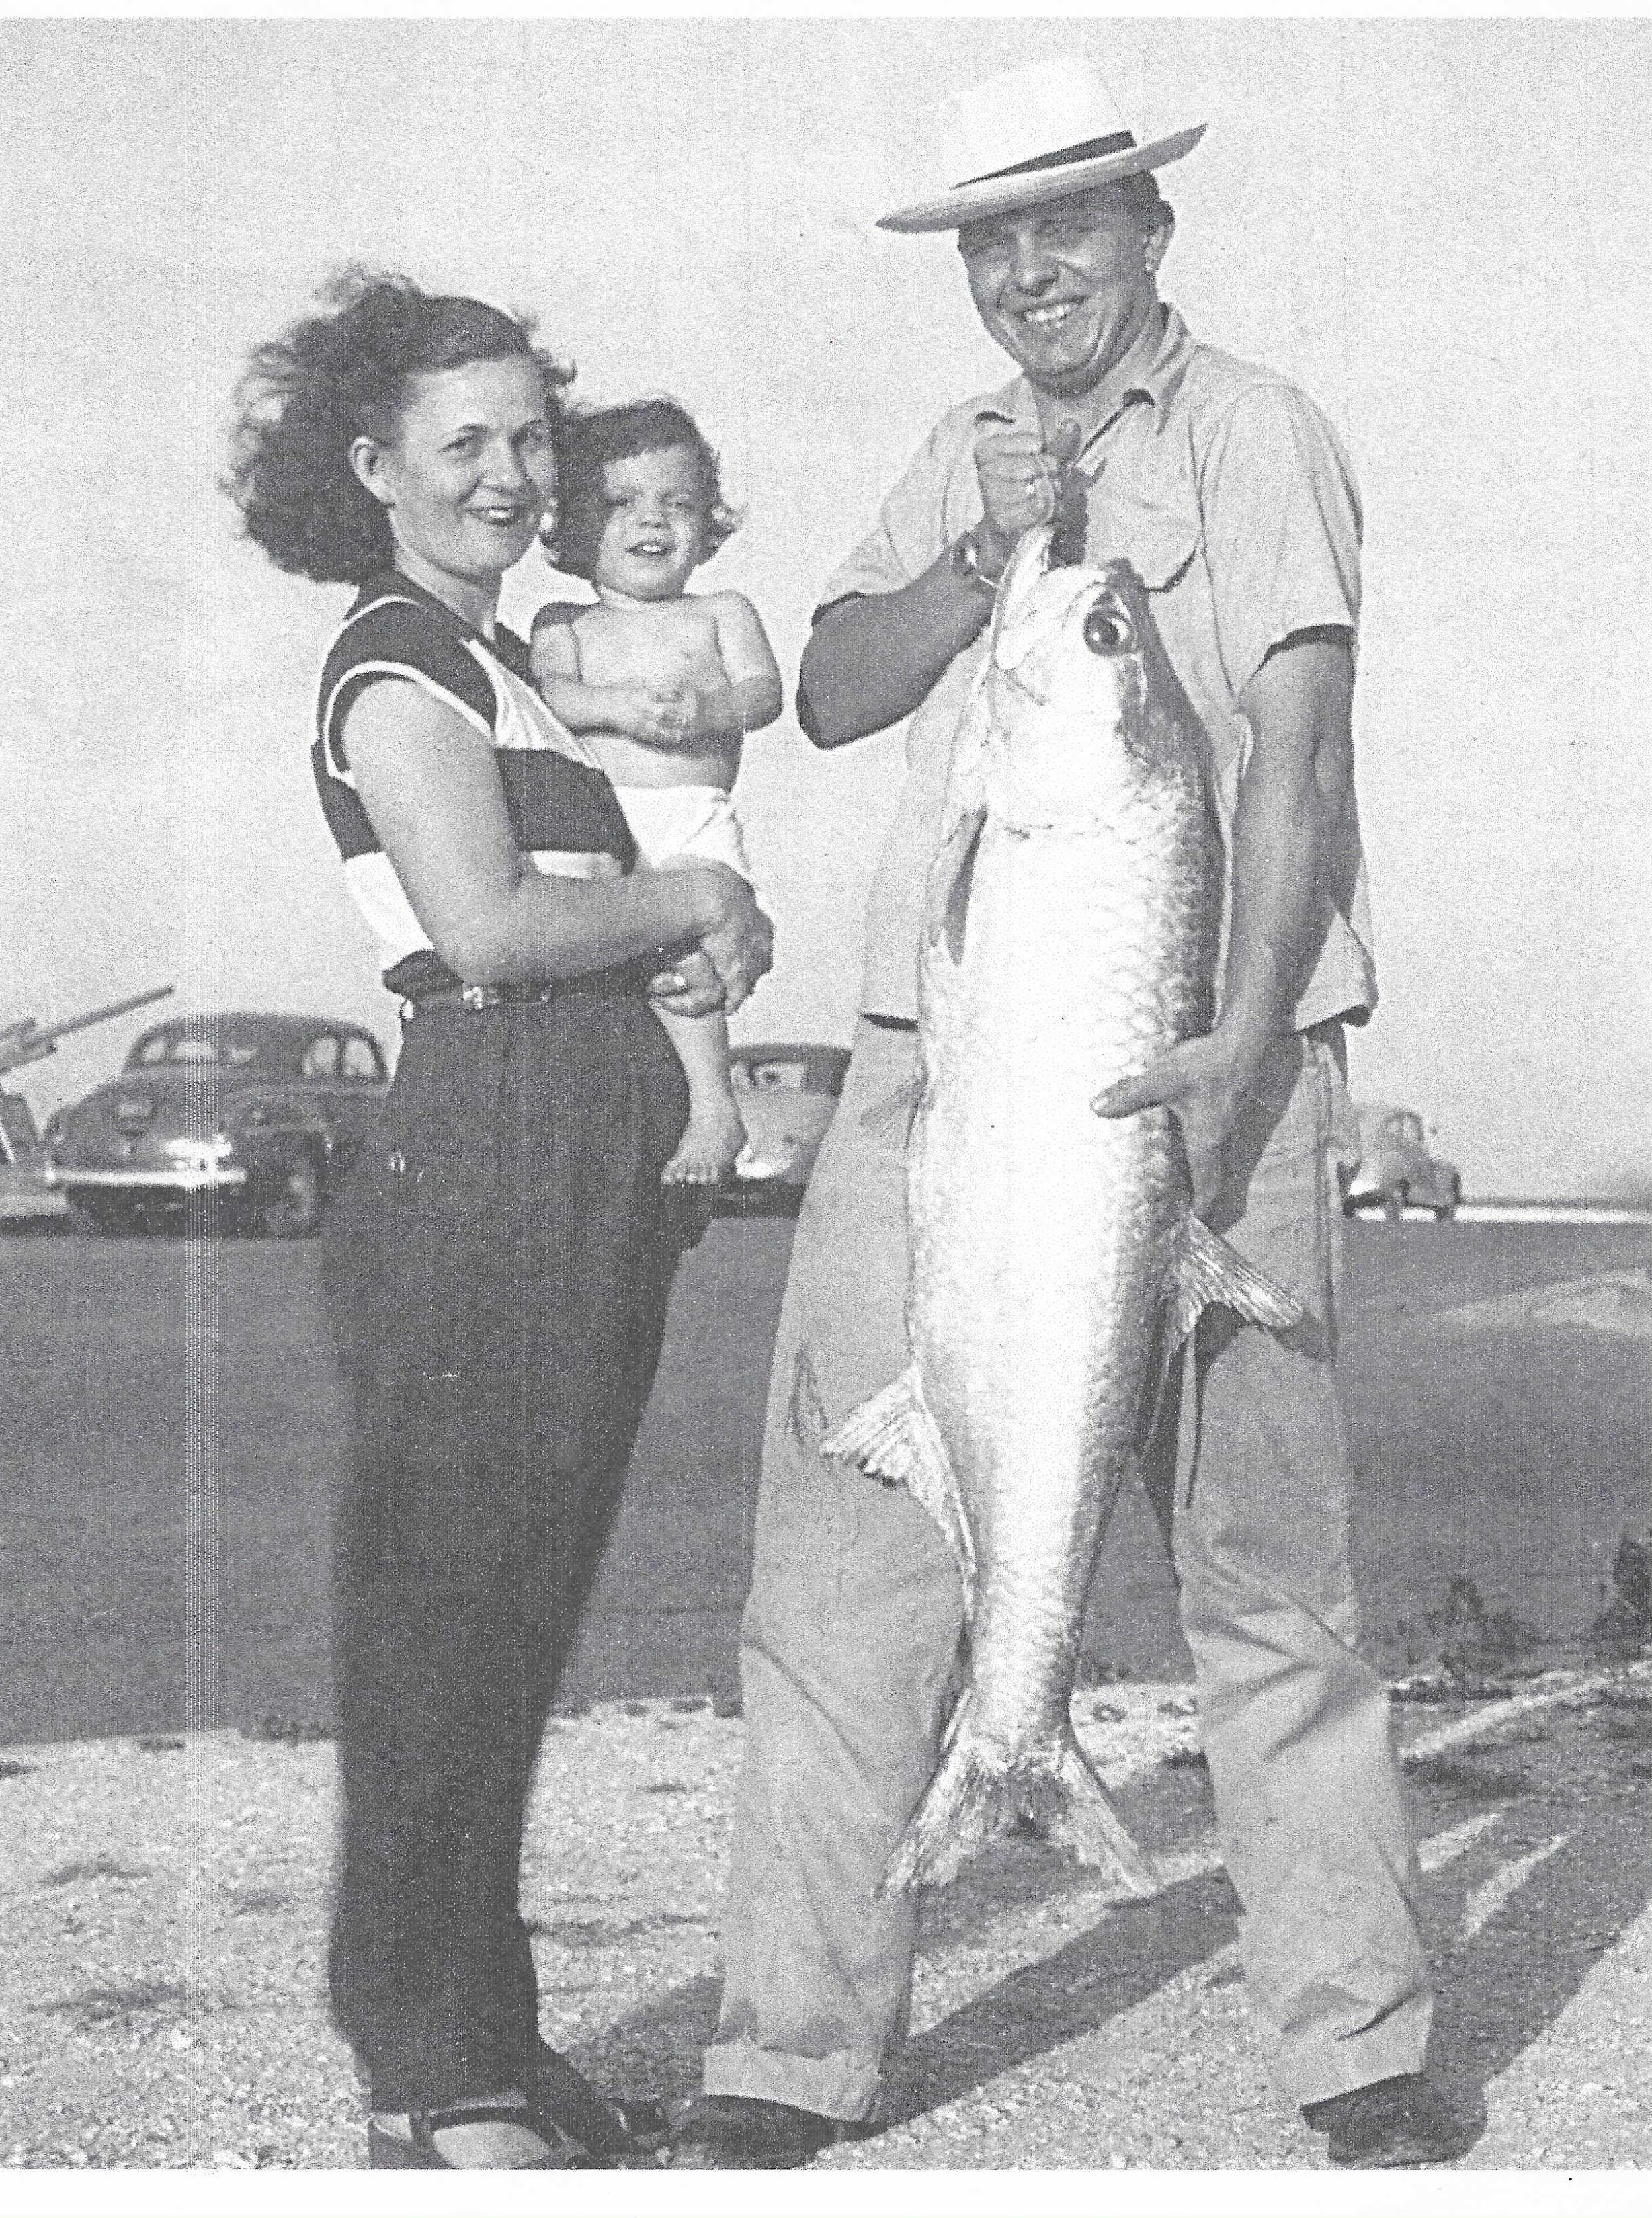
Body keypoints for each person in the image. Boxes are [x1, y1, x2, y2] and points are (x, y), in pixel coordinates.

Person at [670, 56, 1467, 2172]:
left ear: (1149, 232)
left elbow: (1297, 759)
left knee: (1263, 1580)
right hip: (937, 1079)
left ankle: (1357, 2044)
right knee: (848, 1571)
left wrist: (1241, 1032)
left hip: (1217, 1056)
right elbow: (837, 685)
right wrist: (988, 551)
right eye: (989, 242)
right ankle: (788, 2046)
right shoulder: (968, 447)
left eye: (1066, 227)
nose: (1027, 271)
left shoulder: (1255, 433)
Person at [222, 270, 772, 2170]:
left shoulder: (517, 662)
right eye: (464, 443)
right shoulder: (395, 660)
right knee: (448, 1614)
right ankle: (424, 2069)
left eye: (531, 435)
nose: (511, 474)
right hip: (488, 1136)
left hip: (570, 1138)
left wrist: (696, 924)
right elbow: (489, 930)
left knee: (512, 1610)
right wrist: (695, 915)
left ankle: (485, 2031)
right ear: (370, 464)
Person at [530, 399, 783, 1185]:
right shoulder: (562, 620)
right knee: (578, 966)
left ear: (707, 524)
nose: (653, 521)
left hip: (687, 819)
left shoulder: (719, 612)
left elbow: (764, 693)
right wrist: (618, 707)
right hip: (596, 822)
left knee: (690, 962)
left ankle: (714, 1107)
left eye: (678, 504)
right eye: (620, 504)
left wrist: (709, 710)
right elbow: (554, 697)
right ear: (572, 528)